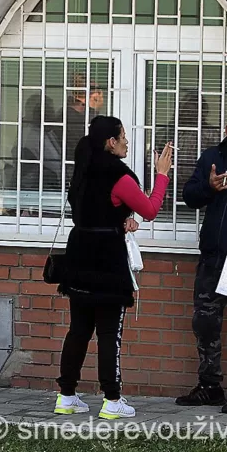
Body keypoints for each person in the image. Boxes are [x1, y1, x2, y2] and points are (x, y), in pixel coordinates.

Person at [55, 116, 172, 420]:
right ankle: (112, 399)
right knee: (109, 332)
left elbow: (95, 210)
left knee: (79, 329)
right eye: (122, 137)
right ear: (111, 141)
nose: (126, 142)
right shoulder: (118, 175)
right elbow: (150, 210)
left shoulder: (83, 168)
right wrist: (162, 175)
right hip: (107, 260)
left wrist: (121, 220)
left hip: (79, 256)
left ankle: (66, 396)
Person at [176, 106, 227, 413]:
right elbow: (189, 196)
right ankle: (210, 386)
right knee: (205, 322)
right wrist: (209, 187)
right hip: (213, 257)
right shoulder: (212, 157)